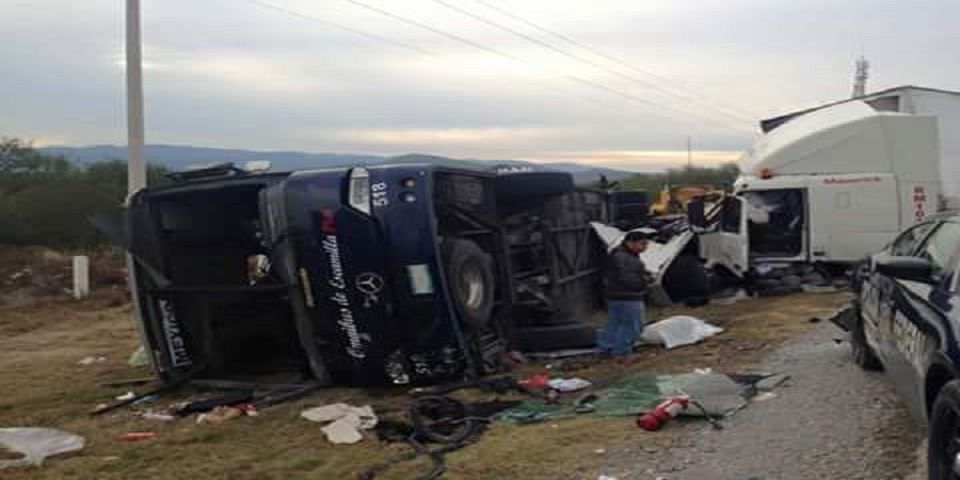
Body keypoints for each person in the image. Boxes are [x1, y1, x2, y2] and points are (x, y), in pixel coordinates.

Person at [599, 231, 650, 361]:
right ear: (630, 243)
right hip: (627, 296)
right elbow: (628, 278)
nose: (645, 247)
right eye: (642, 244)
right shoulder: (625, 258)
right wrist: (644, 283)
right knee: (633, 325)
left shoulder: (621, 254)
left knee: (615, 323)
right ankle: (622, 352)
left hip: (615, 295)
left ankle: (606, 348)